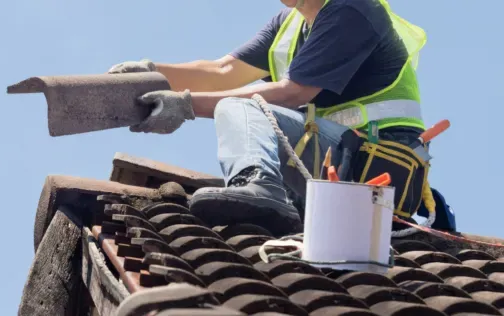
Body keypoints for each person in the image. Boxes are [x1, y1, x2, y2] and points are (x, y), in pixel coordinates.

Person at [108, 0, 429, 236]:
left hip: (373, 165)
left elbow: (294, 92)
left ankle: (259, 186)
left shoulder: (353, 9)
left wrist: (185, 105)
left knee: (243, 108)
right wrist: (153, 73)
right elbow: (224, 71)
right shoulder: (288, 25)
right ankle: (270, 199)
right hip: (329, 160)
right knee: (242, 107)